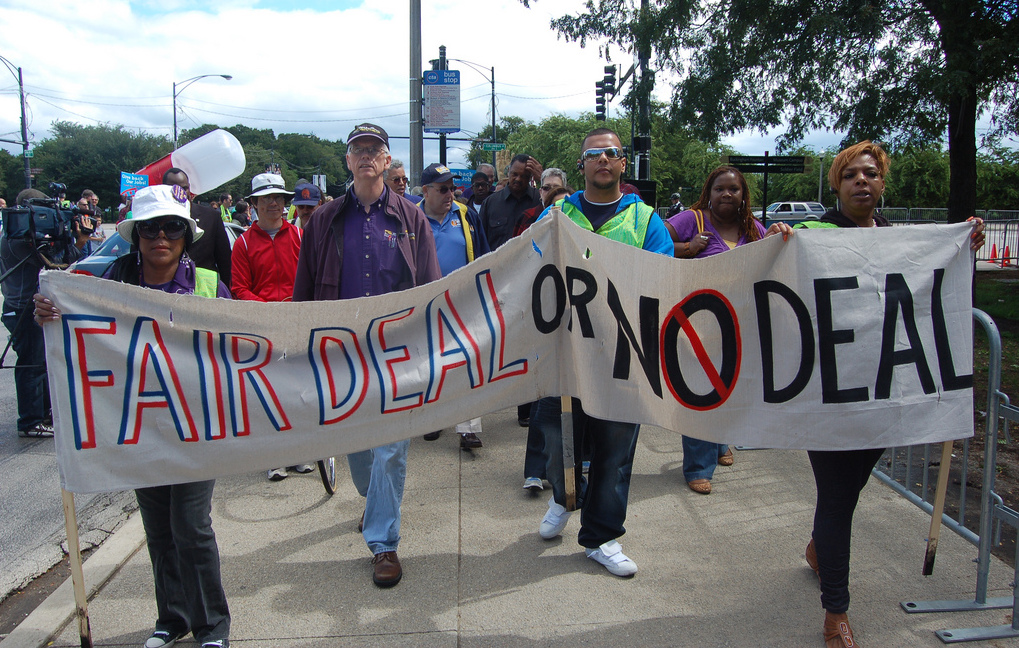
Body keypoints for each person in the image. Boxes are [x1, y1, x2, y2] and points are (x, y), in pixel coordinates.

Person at [793, 140, 984, 648]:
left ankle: (819, 551)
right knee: (836, 499)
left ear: (882, 183)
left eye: (871, 173)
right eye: (851, 173)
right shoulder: (811, 234)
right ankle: (836, 612)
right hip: (828, 397)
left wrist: (963, 245)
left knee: (851, 489)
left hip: (881, 393)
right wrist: (778, 242)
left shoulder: (897, 240)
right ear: (836, 184)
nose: (862, 181)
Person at [33, 184, 232, 648]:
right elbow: (63, 318)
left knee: (191, 526)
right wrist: (47, 311)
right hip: (138, 426)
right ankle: (173, 618)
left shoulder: (208, 284)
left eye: (171, 228)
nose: (160, 236)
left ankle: (212, 627)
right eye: (150, 228)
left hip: (195, 427)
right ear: (136, 235)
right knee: (158, 528)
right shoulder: (103, 288)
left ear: (186, 235)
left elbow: (239, 345)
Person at [293, 123, 441, 588]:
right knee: (357, 444)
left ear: (387, 160)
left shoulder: (411, 218)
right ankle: (374, 501)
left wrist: (429, 347)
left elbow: (431, 287)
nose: (365, 156)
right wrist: (301, 347)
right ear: (348, 160)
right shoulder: (325, 219)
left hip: (396, 351)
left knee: (392, 448)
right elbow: (304, 289)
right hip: (341, 353)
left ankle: (384, 542)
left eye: (374, 149)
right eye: (357, 149)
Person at [532, 127, 673, 577]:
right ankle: (563, 496)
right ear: (582, 165)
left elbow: (662, 282)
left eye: (611, 153)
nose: (603, 160)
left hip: (621, 359)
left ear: (622, 163)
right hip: (564, 358)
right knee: (558, 442)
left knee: (614, 452)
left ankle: (601, 535)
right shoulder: (558, 215)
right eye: (594, 154)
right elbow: (528, 265)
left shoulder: (646, 221)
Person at [664, 165, 773, 495]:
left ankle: (719, 441)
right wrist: (689, 248)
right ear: (708, 193)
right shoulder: (691, 220)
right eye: (720, 189)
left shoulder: (750, 227)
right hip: (697, 324)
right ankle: (698, 465)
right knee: (700, 391)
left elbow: (773, 250)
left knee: (728, 386)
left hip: (738, 324)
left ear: (743, 195)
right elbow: (657, 242)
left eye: (734, 189)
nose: (727, 194)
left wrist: (780, 232)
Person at [230, 173, 313, 482]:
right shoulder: (242, 243)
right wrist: (268, 310)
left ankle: (299, 452)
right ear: (253, 204)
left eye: (279, 197)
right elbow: (239, 288)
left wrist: (295, 306)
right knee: (269, 392)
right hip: (263, 327)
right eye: (266, 198)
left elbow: (310, 279)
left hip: (296, 324)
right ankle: (273, 457)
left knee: (300, 390)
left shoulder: (300, 237)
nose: (274, 203)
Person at [417, 163, 491, 449]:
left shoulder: (466, 215)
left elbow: (483, 255)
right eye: (443, 189)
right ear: (425, 191)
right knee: (430, 364)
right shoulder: (412, 218)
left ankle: (469, 428)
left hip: (464, 302)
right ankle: (433, 420)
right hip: (425, 303)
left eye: (452, 188)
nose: (451, 194)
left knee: (469, 361)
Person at [1, 188, 82, 438]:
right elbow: (62, 263)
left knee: (42, 362)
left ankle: (44, 413)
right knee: (32, 364)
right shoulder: (19, 240)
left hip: (21, 305)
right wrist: (75, 240)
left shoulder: (15, 235)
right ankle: (30, 420)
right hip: (23, 307)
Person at [162, 168, 232, 287]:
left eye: (184, 188)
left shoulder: (211, 217)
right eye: (174, 188)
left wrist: (225, 296)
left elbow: (225, 261)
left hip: (203, 291)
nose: (180, 193)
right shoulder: (154, 220)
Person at [515, 167, 569, 237]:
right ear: (540, 192)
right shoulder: (527, 217)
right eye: (546, 188)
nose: (551, 192)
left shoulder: (573, 216)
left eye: (556, 188)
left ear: (564, 192)